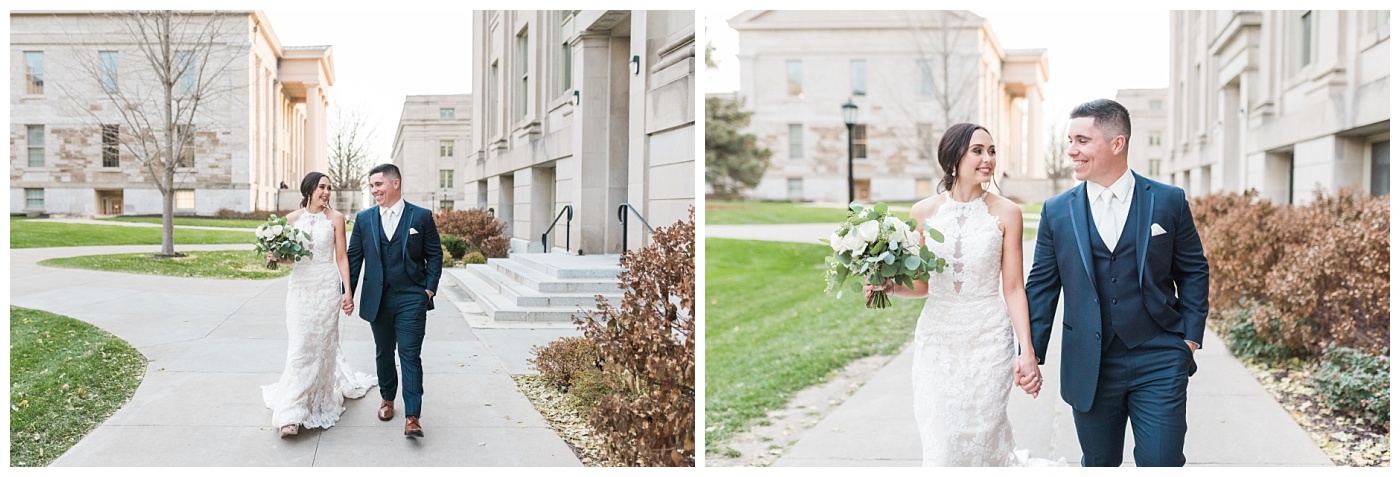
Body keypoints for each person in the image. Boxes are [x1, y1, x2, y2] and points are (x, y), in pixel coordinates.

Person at [1025, 99, 1209, 467]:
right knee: (1099, 465)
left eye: (1082, 140)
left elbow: (1193, 271)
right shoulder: (1057, 211)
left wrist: (1189, 338)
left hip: (1159, 355)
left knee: (1163, 462)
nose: (1071, 150)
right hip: (1090, 363)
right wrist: (1031, 352)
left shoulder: (1167, 201)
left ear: (1116, 143)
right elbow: (1042, 286)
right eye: (1070, 140)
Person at [867, 123, 1043, 466]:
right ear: (954, 158)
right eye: (978, 150)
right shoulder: (923, 213)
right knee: (942, 442)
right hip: (938, 339)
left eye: (991, 151)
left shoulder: (1008, 213)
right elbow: (922, 284)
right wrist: (889, 285)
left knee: (982, 434)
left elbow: (1012, 288)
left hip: (989, 338)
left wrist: (1027, 352)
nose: (988, 158)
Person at [262, 172, 377, 438]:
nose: (326, 192)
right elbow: (291, 258)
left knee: (323, 346)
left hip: (326, 287)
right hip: (300, 289)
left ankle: (318, 398)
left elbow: (341, 257)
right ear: (309, 189)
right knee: (300, 346)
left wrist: (347, 291)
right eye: (322, 187)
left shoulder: (336, 219)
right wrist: (276, 258)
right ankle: (291, 412)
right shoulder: (290, 220)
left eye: (329, 188)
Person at [344, 163, 443, 438]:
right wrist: (348, 292)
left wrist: (429, 290)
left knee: (410, 355)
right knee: (383, 351)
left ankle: (413, 416)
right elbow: (354, 259)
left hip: (412, 296)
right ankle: (388, 399)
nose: (374, 190)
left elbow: (435, 255)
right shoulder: (364, 219)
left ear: (395, 183)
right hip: (378, 298)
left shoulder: (421, 217)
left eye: (378, 184)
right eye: (372, 186)